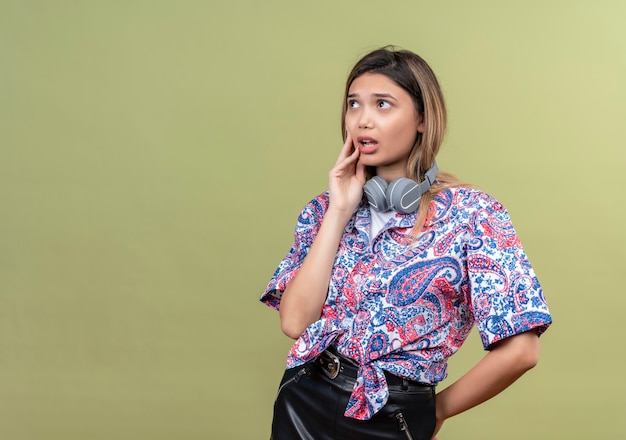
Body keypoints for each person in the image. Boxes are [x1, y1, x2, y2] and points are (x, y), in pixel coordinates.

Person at [260, 46, 552, 440]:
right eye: (353, 104)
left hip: (394, 418)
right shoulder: (325, 209)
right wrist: (340, 211)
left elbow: (522, 351)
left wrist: (437, 411)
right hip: (304, 401)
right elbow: (295, 322)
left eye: (383, 104)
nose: (363, 120)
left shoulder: (472, 215)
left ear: (421, 118)